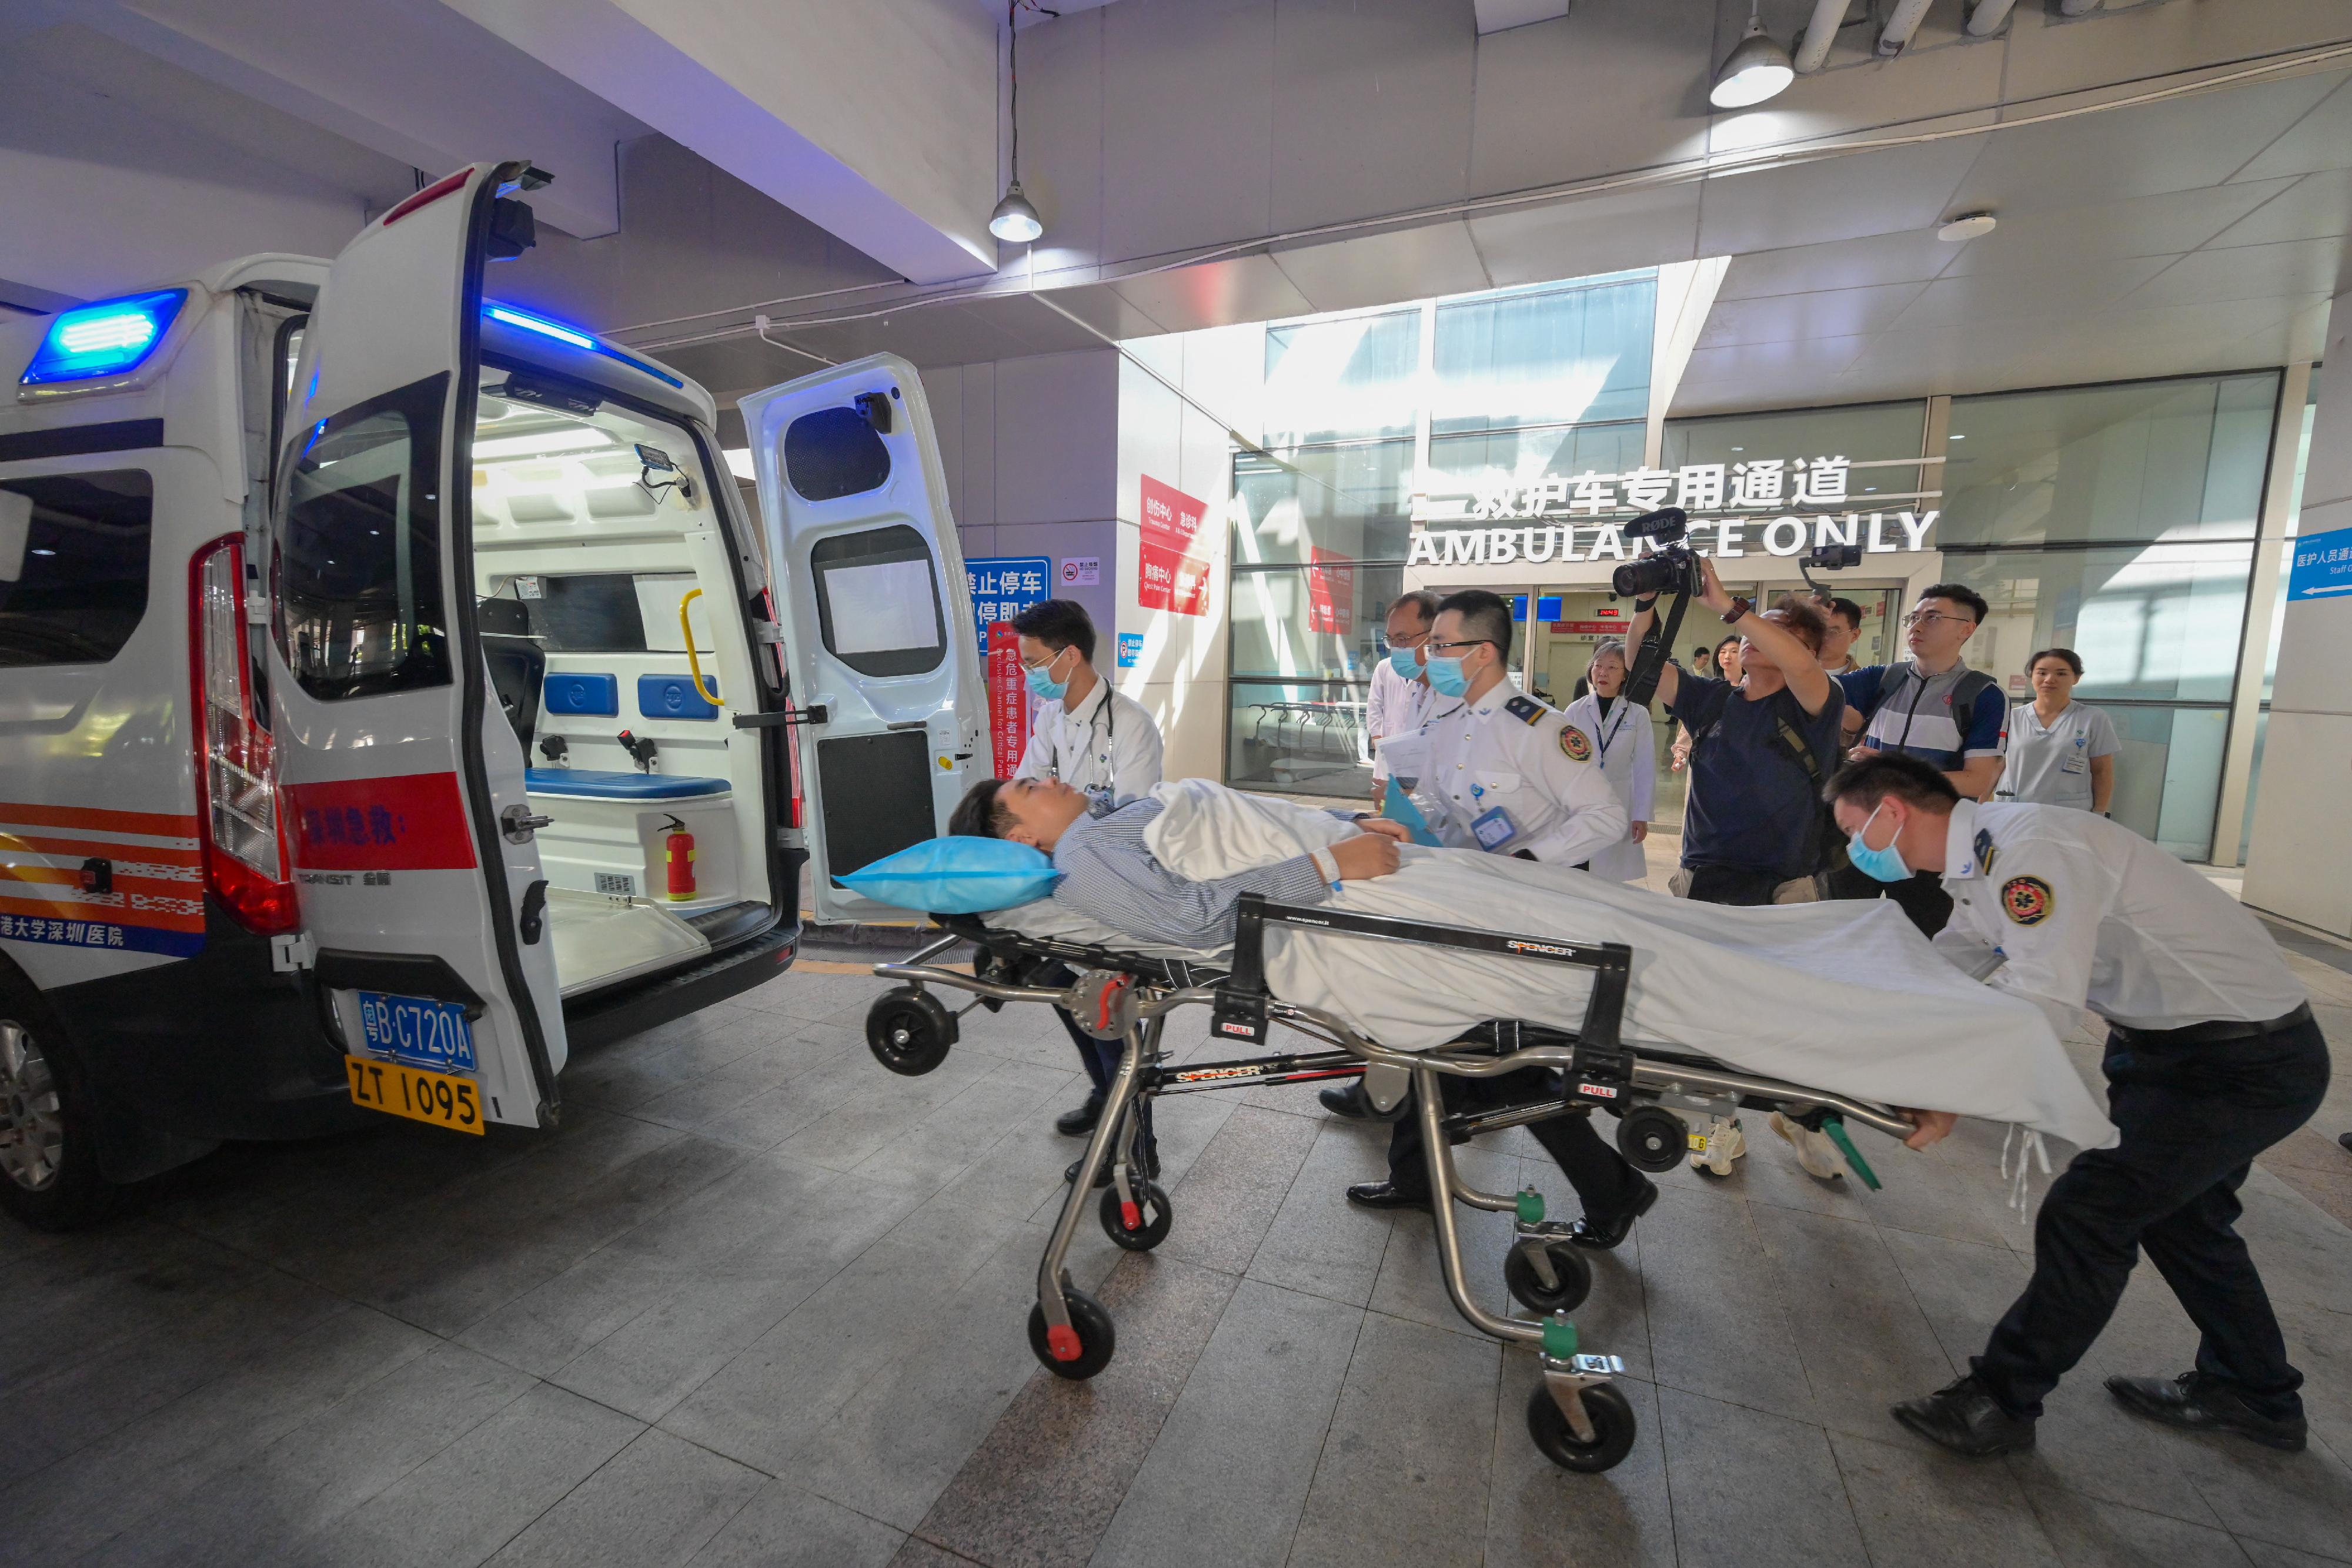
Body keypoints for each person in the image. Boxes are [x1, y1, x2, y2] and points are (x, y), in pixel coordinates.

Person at [1826, 754, 2327, 1459]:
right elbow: (1953, 972)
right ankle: (2256, 1391)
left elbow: (2042, 1004)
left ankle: (1999, 1401)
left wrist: (1946, 1093)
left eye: (1855, 830)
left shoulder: (2028, 850)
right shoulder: (1977, 865)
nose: (1855, 849)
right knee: (2187, 1223)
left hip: (2241, 1062)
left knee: (2090, 1213)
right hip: (2169, 1049)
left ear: (1892, 812)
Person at [1331, 590, 1651, 1248]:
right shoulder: (1449, 720)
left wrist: (1530, 860)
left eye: (1440, 645)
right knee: (1453, 1042)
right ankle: (1424, 1173)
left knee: (1492, 1057)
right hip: (1473, 905)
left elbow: (1604, 817)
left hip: (1534, 914)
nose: (1428, 657)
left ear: (1481, 653)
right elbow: (1452, 814)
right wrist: (1416, 834)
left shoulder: (1538, 728)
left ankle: (1610, 1187)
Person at [953, 774, 1409, 1185]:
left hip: (1345, 849)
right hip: (1348, 875)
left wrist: (1345, 820)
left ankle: (1125, 1137)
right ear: (1023, 836)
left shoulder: (1100, 823)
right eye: (1033, 788)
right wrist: (1328, 862)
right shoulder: (1083, 856)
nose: (1051, 778)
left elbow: (1243, 814)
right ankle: (1126, 1139)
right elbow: (1196, 918)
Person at [1632, 563, 1850, 1181]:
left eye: (1774, 629)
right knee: (1711, 1009)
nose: (1753, 635)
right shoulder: (1713, 699)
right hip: (1705, 879)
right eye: (1754, 626)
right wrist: (1645, 605)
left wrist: (1729, 606)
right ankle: (1721, 1125)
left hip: (1785, 887)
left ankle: (1800, 1118)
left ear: (1801, 646)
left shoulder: (1817, 701)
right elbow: (1645, 667)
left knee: (1787, 1014)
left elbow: (1804, 667)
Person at [1009, 599, 1167, 1141]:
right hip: (1061, 882)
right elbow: (1022, 794)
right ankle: (1106, 1096)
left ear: (1069, 655)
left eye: (1032, 663)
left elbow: (1135, 819)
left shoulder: (1131, 725)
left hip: (1109, 886)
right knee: (1057, 984)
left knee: (1105, 1011)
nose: (1027, 675)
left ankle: (1130, 1140)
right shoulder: (1051, 717)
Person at [1831, 583, 2006, 936]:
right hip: (1870, 833)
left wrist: (1891, 769)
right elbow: (1813, 689)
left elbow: (1977, 780)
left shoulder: (1983, 695)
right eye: (1914, 617)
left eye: (1933, 617)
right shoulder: (1884, 679)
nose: (1917, 625)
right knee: (1839, 933)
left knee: (1919, 944)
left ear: (1966, 629)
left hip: (1929, 846)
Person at [1562, 640, 1656, 884]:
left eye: (1613, 667)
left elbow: (1644, 766)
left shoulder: (1637, 713)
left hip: (1619, 800)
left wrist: (1641, 814)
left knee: (1608, 875)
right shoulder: (1575, 710)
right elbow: (1560, 760)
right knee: (1576, 870)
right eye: (1598, 666)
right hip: (1579, 802)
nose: (1603, 672)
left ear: (1625, 675)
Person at [1997, 648, 2119, 815]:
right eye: (2042, 673)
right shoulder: (2011, 718)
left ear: (2076, 678)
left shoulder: (2093, 718)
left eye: (2061, 674)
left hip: (2069, 813)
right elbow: (1995, 766)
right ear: (2032, 676)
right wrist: (1979, 808)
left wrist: (2100, 813)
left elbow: (2102, 771)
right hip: (2014, 809)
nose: (2049, 680)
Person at [1365, 591, 1439, 810]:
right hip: (1390, 747)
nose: (1397, 647)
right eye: (1391, 640)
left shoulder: (1452, 700)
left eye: (1403, 639)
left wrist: (1404, 797)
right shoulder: (1420, 689)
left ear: (1434, 639)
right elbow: (1374, 704)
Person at [1672, 635, 1743, 774]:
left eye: (1734, 651)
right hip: (1705, 758)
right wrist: (1681, 753)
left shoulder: (1751, 689)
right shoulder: (1710, 688)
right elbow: (1691, 723)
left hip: (1737, 761)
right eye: (1723, 652)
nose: (1727, 656)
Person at [1816, 596, 1865, 674]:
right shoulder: (1793, 676)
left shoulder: (1864, 682)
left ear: (1855, 635)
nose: (1823, 638)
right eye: (1818, 630)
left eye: (1832, 632)